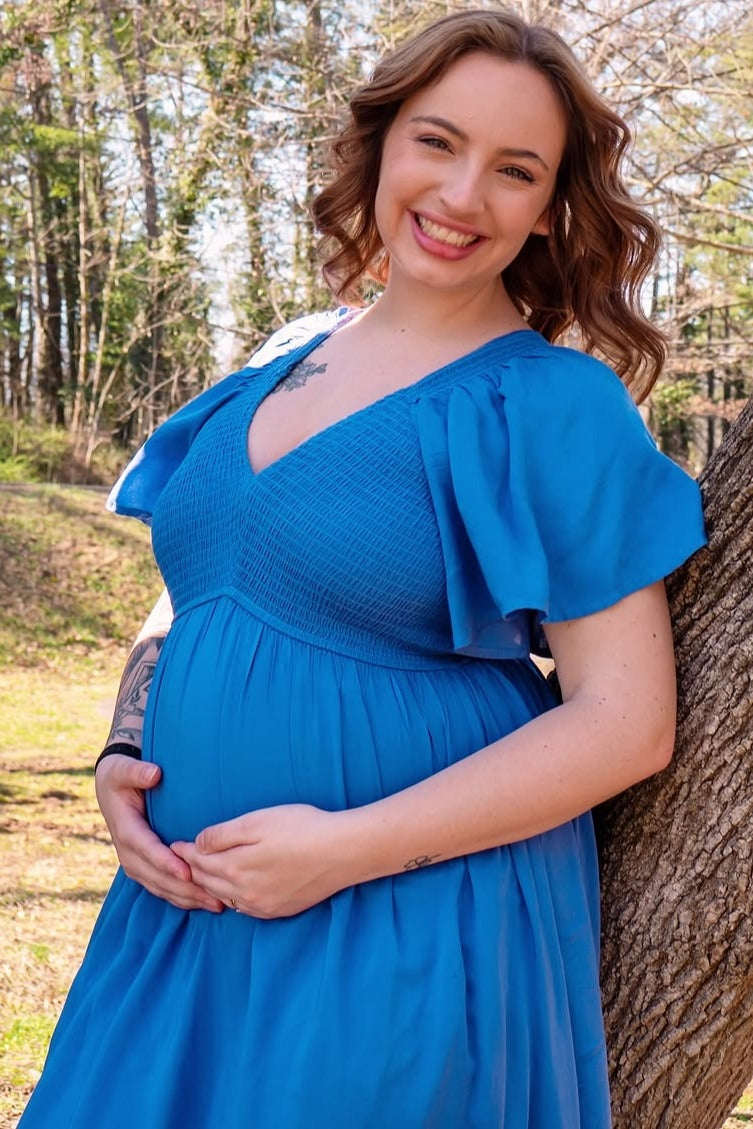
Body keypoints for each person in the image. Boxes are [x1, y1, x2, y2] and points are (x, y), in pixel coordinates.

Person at [20, 8, 706, 1128]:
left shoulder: (551, 404)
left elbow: (627, 721)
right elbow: (196, 592)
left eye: (515, 170)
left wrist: (341, 850)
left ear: (548, 207)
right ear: (382, 144)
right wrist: (122, 749)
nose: (462, 195)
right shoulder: (281, 356)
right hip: (181, 912)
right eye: (437, 142)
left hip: (400, 919)